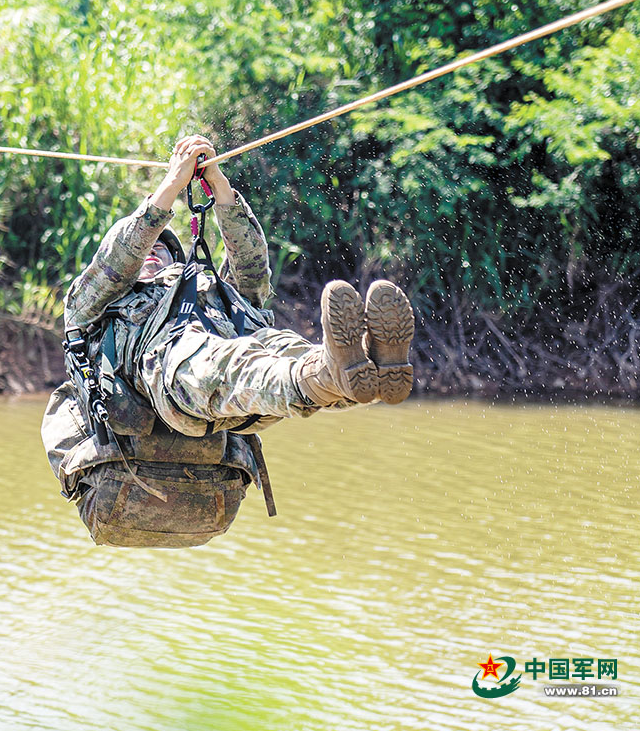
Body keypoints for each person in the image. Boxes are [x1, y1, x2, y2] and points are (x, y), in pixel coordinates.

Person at [41, 135, 415, 547]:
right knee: (225, 361)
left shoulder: (206, 289)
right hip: (170, 378)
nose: (152, 256)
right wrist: (171, 185)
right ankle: (332, 373)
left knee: (277, 347)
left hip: (235, 404)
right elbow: (119, 257)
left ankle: (351, 372)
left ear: (176, 262)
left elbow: (253, 272)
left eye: (162, 254)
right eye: (146, 253)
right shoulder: (93, 303)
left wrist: (220, 188)